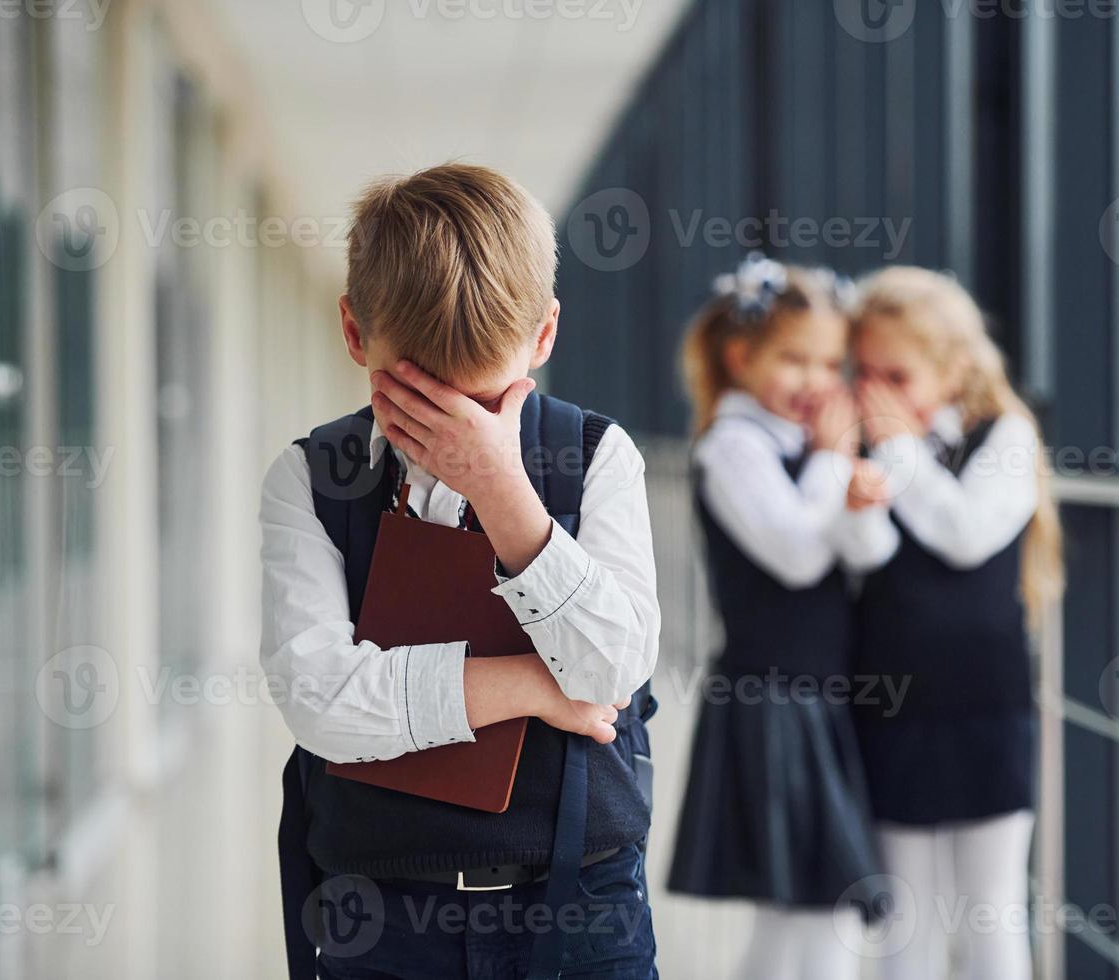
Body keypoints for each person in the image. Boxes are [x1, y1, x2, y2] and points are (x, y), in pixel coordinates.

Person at [259, 163, 661, 979]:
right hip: (383, 911)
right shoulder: (312, 475)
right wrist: (541, 688)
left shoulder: (596, 457)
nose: (450, 433)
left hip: (580, 900)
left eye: (478, 403)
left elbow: (618, 663)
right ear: (355, 334)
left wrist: (500, 488)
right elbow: (324, 701)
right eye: (414, 396)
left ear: (543, 337)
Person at [667, 253, 889, 980]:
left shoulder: (793, 447)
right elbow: (796, 555)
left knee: (802, 910)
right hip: (772, 697)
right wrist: (832, 460)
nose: (817, 382)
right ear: (741, 356)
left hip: (809, 696)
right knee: (818, 906)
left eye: (831, 364)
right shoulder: (733, 446)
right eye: (795, 360)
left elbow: (857, 555)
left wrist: (850, 488)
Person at [846, 266, 1065, 980]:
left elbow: (965, 531)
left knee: (990, 911)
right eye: (865, 374)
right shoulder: (864, 448)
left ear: (955, 369)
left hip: (983, 703)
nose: (877, 396)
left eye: (898, 376)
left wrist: (900, 452)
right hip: (892, 701)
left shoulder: (1006, 436)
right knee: (904, 913)